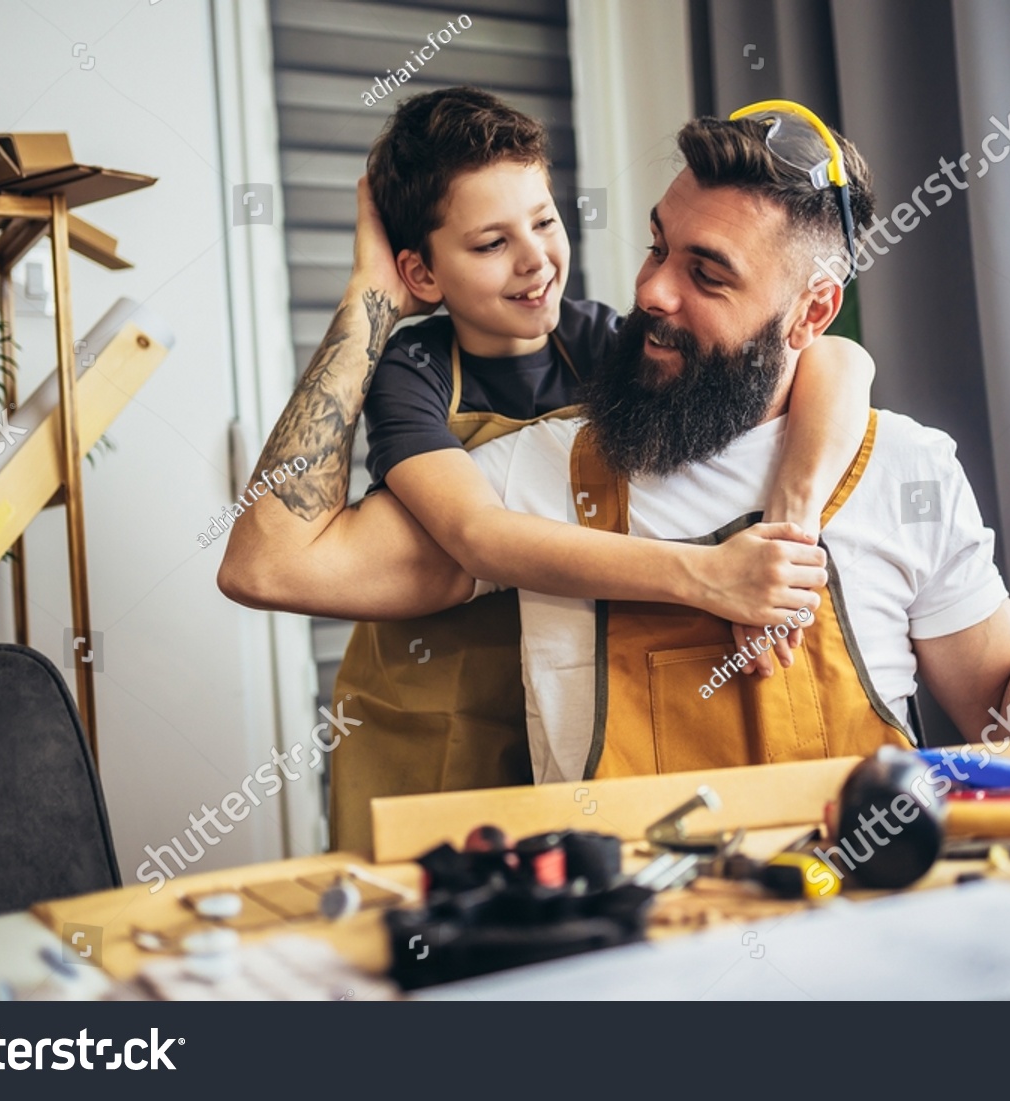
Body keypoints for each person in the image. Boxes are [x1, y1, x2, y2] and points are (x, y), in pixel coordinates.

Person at [220, 105, 1010, 794]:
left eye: (707, 273)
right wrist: (367, 304)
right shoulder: (531, 470)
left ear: (810, 311)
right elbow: (269, 560)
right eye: (656, 246)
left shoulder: (903, 466)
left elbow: (1007, 712)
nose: (650, 291)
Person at [228, 88, 876, 851]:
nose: (536, 260)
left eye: (543, 221)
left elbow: (837, 356)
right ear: (423, 274)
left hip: (560, 707)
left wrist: (787, 526)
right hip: (430, 725)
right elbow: (478, 533)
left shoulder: (601, 341)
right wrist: (370, 295)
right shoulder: (412, 370)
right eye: (489, 243)